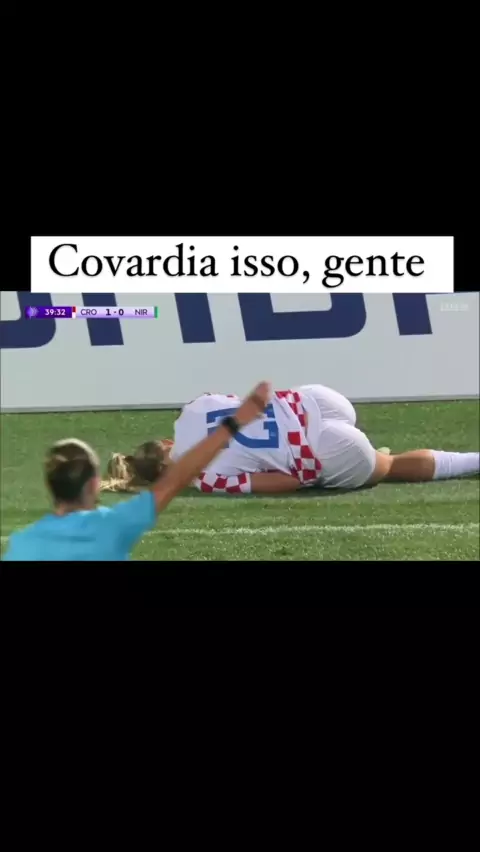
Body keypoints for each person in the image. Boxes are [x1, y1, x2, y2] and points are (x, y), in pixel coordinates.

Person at [1, 381, 272, 560]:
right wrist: (234, 423)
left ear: (50, 485)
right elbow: (179, 477)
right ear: (93, 484)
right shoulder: (112, 524)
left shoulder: (21, 544)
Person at [101, 384, 479, 496]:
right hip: (314, 399)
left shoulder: (205, 479)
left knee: (392, 466)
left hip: (325, 448)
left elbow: (287, 482)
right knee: (371, 451)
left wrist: (318, 476)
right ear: (165, 443)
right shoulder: (192, 409)